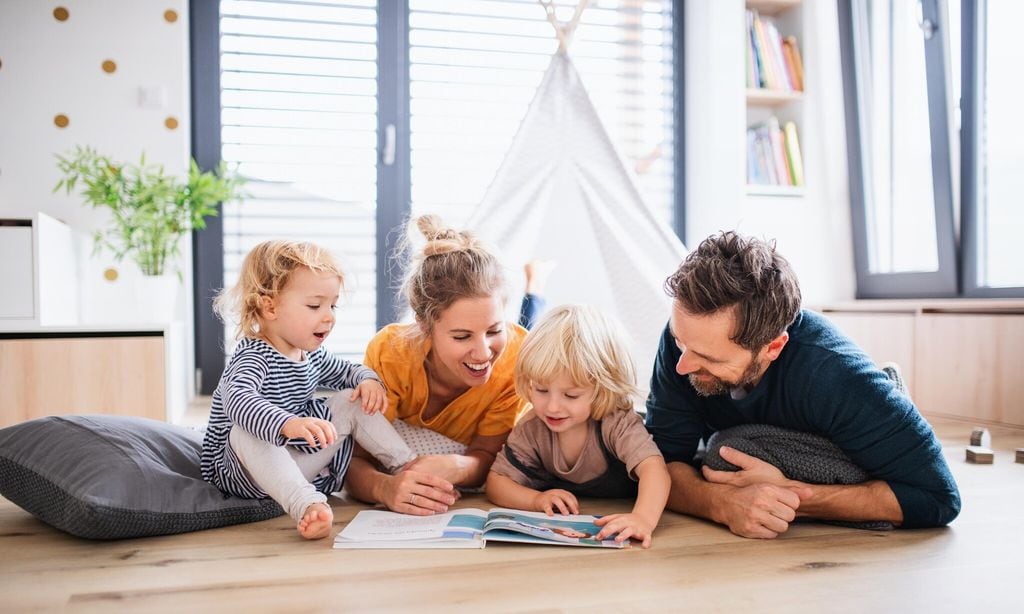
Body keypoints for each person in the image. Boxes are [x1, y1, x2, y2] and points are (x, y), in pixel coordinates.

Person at [645, 231, 961, 538]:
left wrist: (792, 497)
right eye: (679, 341)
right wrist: (720, 504)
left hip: (842, 426)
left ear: (773, 347)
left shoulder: (836, 375)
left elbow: (939, 498)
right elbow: (659, 464)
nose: (681, 365)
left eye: (708, 358)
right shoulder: (687, 341)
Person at [201, 240, 420, 540]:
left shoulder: (310, 355)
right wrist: (286, 424)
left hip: (292, 461)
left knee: (350, 399)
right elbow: (237, 401)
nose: (329, 316)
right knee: (244, 430)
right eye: (315, 305)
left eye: (333, 305)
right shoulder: (253, 357)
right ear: (270, 306)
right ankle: (307, 504)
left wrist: (368, 380)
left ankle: (408, 465)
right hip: (242, 471)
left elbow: (347, 371)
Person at [343, 215, 541, 515]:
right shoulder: (391, 353)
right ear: (425, 326)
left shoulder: (515, 358)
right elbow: (353, 460)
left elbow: (488, 456)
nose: (483, 352)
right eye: (462, 336)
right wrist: (384, 488)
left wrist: (458, 466)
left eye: (494, 331)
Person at [486, 305, 670, 548]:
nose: (552, 407)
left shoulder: (616, 421)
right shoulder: (532, 427)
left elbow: (655, 470)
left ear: (602, 390)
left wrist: (642, 518)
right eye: (541, 390)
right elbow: (497, 482)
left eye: (570, 395)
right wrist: (536, 500)